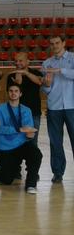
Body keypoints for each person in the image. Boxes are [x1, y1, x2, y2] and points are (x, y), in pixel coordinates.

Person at [0, 84, 42, 194]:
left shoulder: (26, 110)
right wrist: (19, 129)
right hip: (5, 147)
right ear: (7, 93)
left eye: (16, 91)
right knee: (7, 179)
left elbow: (29, 131)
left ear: (20, 94)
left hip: (21, 145)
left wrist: (30, 133)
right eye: (11, 91)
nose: (13, 93)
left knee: (36, 154)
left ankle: (31, 184)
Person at [42, 35, 74, 184]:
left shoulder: (72, 59)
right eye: (52, 43)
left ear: (64, 43)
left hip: (72, 106)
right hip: (54, 107)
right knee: (55, 142)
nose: (54, 45)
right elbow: (45, 89)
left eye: (57, 43)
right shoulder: (46, 63)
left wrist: (61, 70)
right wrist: (47, 86)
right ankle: (58, 172)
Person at [5, 52, 43, 146]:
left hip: (33, 113)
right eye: (16, 61)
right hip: (16, 113)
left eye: (20, 61)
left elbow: (39, 82)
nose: (17, 63)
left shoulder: (36, 73)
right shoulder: (11, 75)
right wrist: (17, 82)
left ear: (28, 62)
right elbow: (11, 94)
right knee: (15, 141)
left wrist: (25, 73)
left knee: (32, 142)